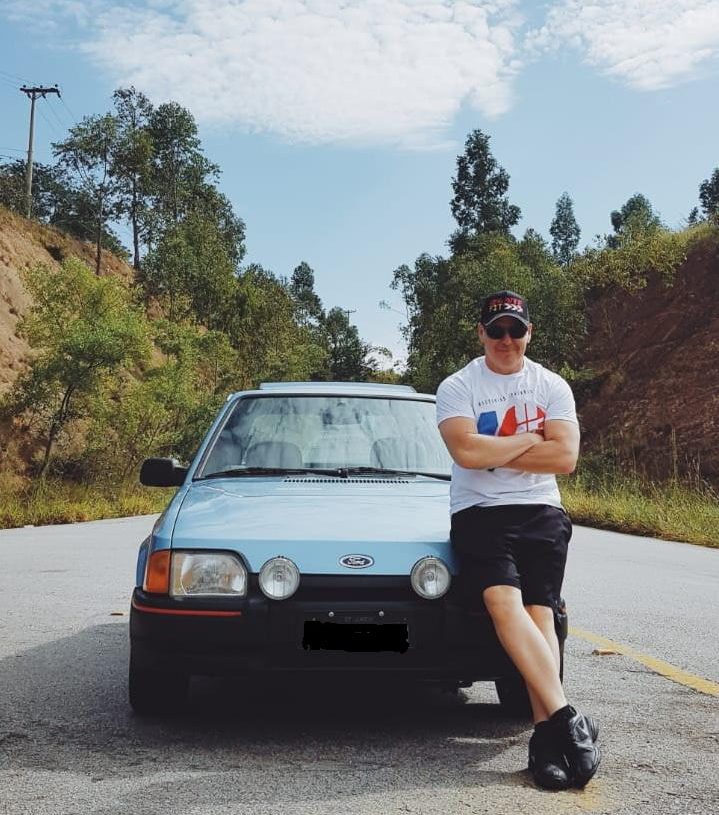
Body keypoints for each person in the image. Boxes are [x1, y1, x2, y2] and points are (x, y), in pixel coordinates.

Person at [435, 290, 600, 791]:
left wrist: (495, 450)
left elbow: (564, 458)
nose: (505, 339)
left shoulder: (551, 385)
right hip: (479, 512)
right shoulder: (458, 386)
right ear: (481, 333)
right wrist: (531, 439)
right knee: (502, 603)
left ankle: (545, 740)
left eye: (515, 329)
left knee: (540, 612)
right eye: (496, 330)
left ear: (529, 332)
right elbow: (466, 452)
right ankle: (568, 719)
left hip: (541, 510)